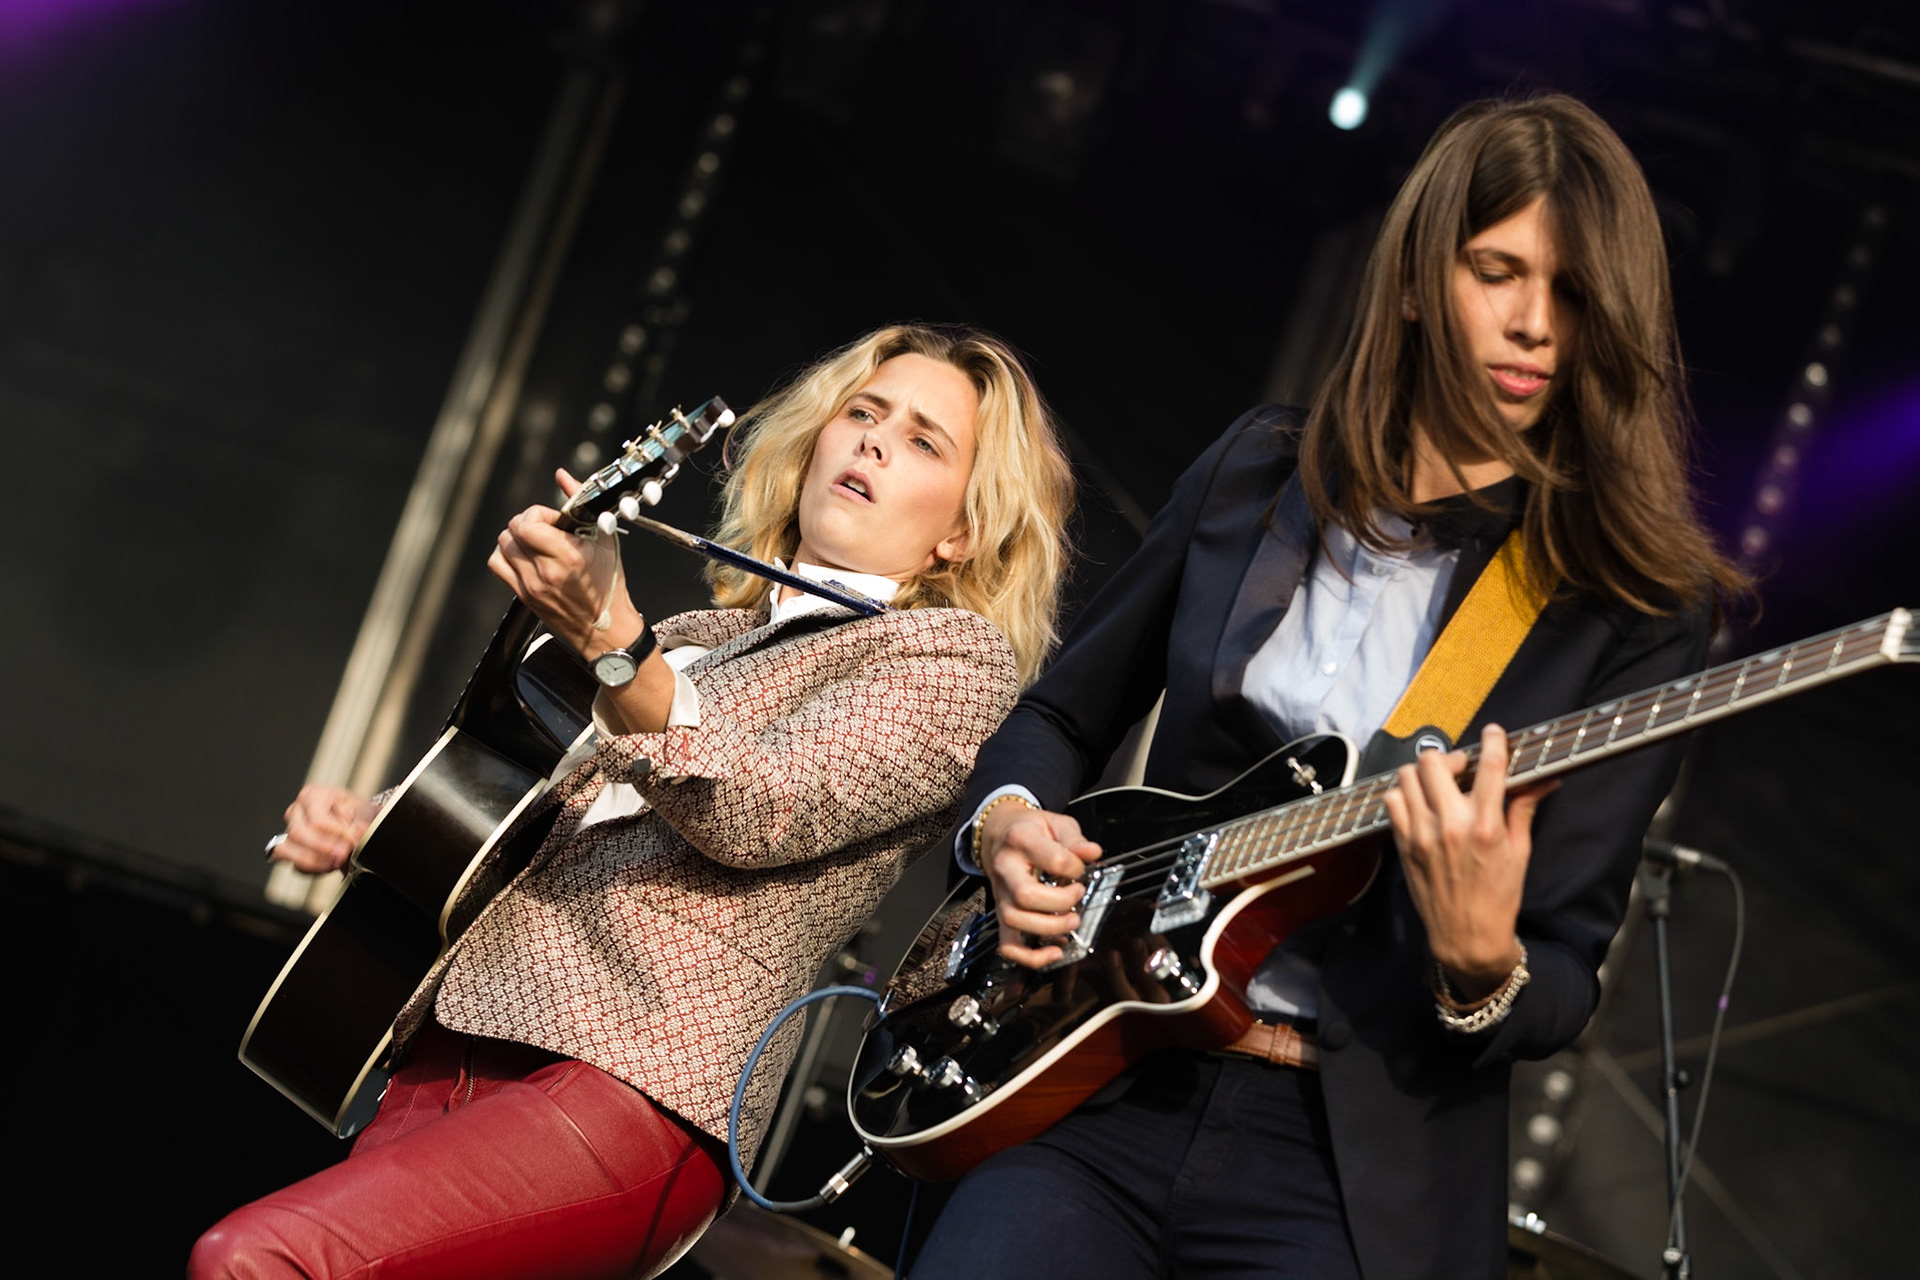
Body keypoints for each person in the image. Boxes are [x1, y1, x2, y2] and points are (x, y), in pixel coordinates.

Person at [907, 95, 1747, 1280]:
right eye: (1497, 270)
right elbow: (1056, 714)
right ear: (1414, 279)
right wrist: (1004, 826)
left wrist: (1478, 962)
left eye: (1570, 292)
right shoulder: (1257, 469)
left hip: (1346, 1165)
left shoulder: (1630, 610)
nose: (1532, 326)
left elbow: (1561, 977)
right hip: (1100, 1077)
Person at [190, 323, 1076, 1280]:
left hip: (633, 1081)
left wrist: (613, 632)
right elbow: (542, 812)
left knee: (255, 1258)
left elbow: (758, 807)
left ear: (962, 531)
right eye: (862, 413)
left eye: (921, 441)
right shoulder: (700, 634)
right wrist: (383, 822)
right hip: (453, 1037)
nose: (871, 441)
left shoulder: (949, 661)